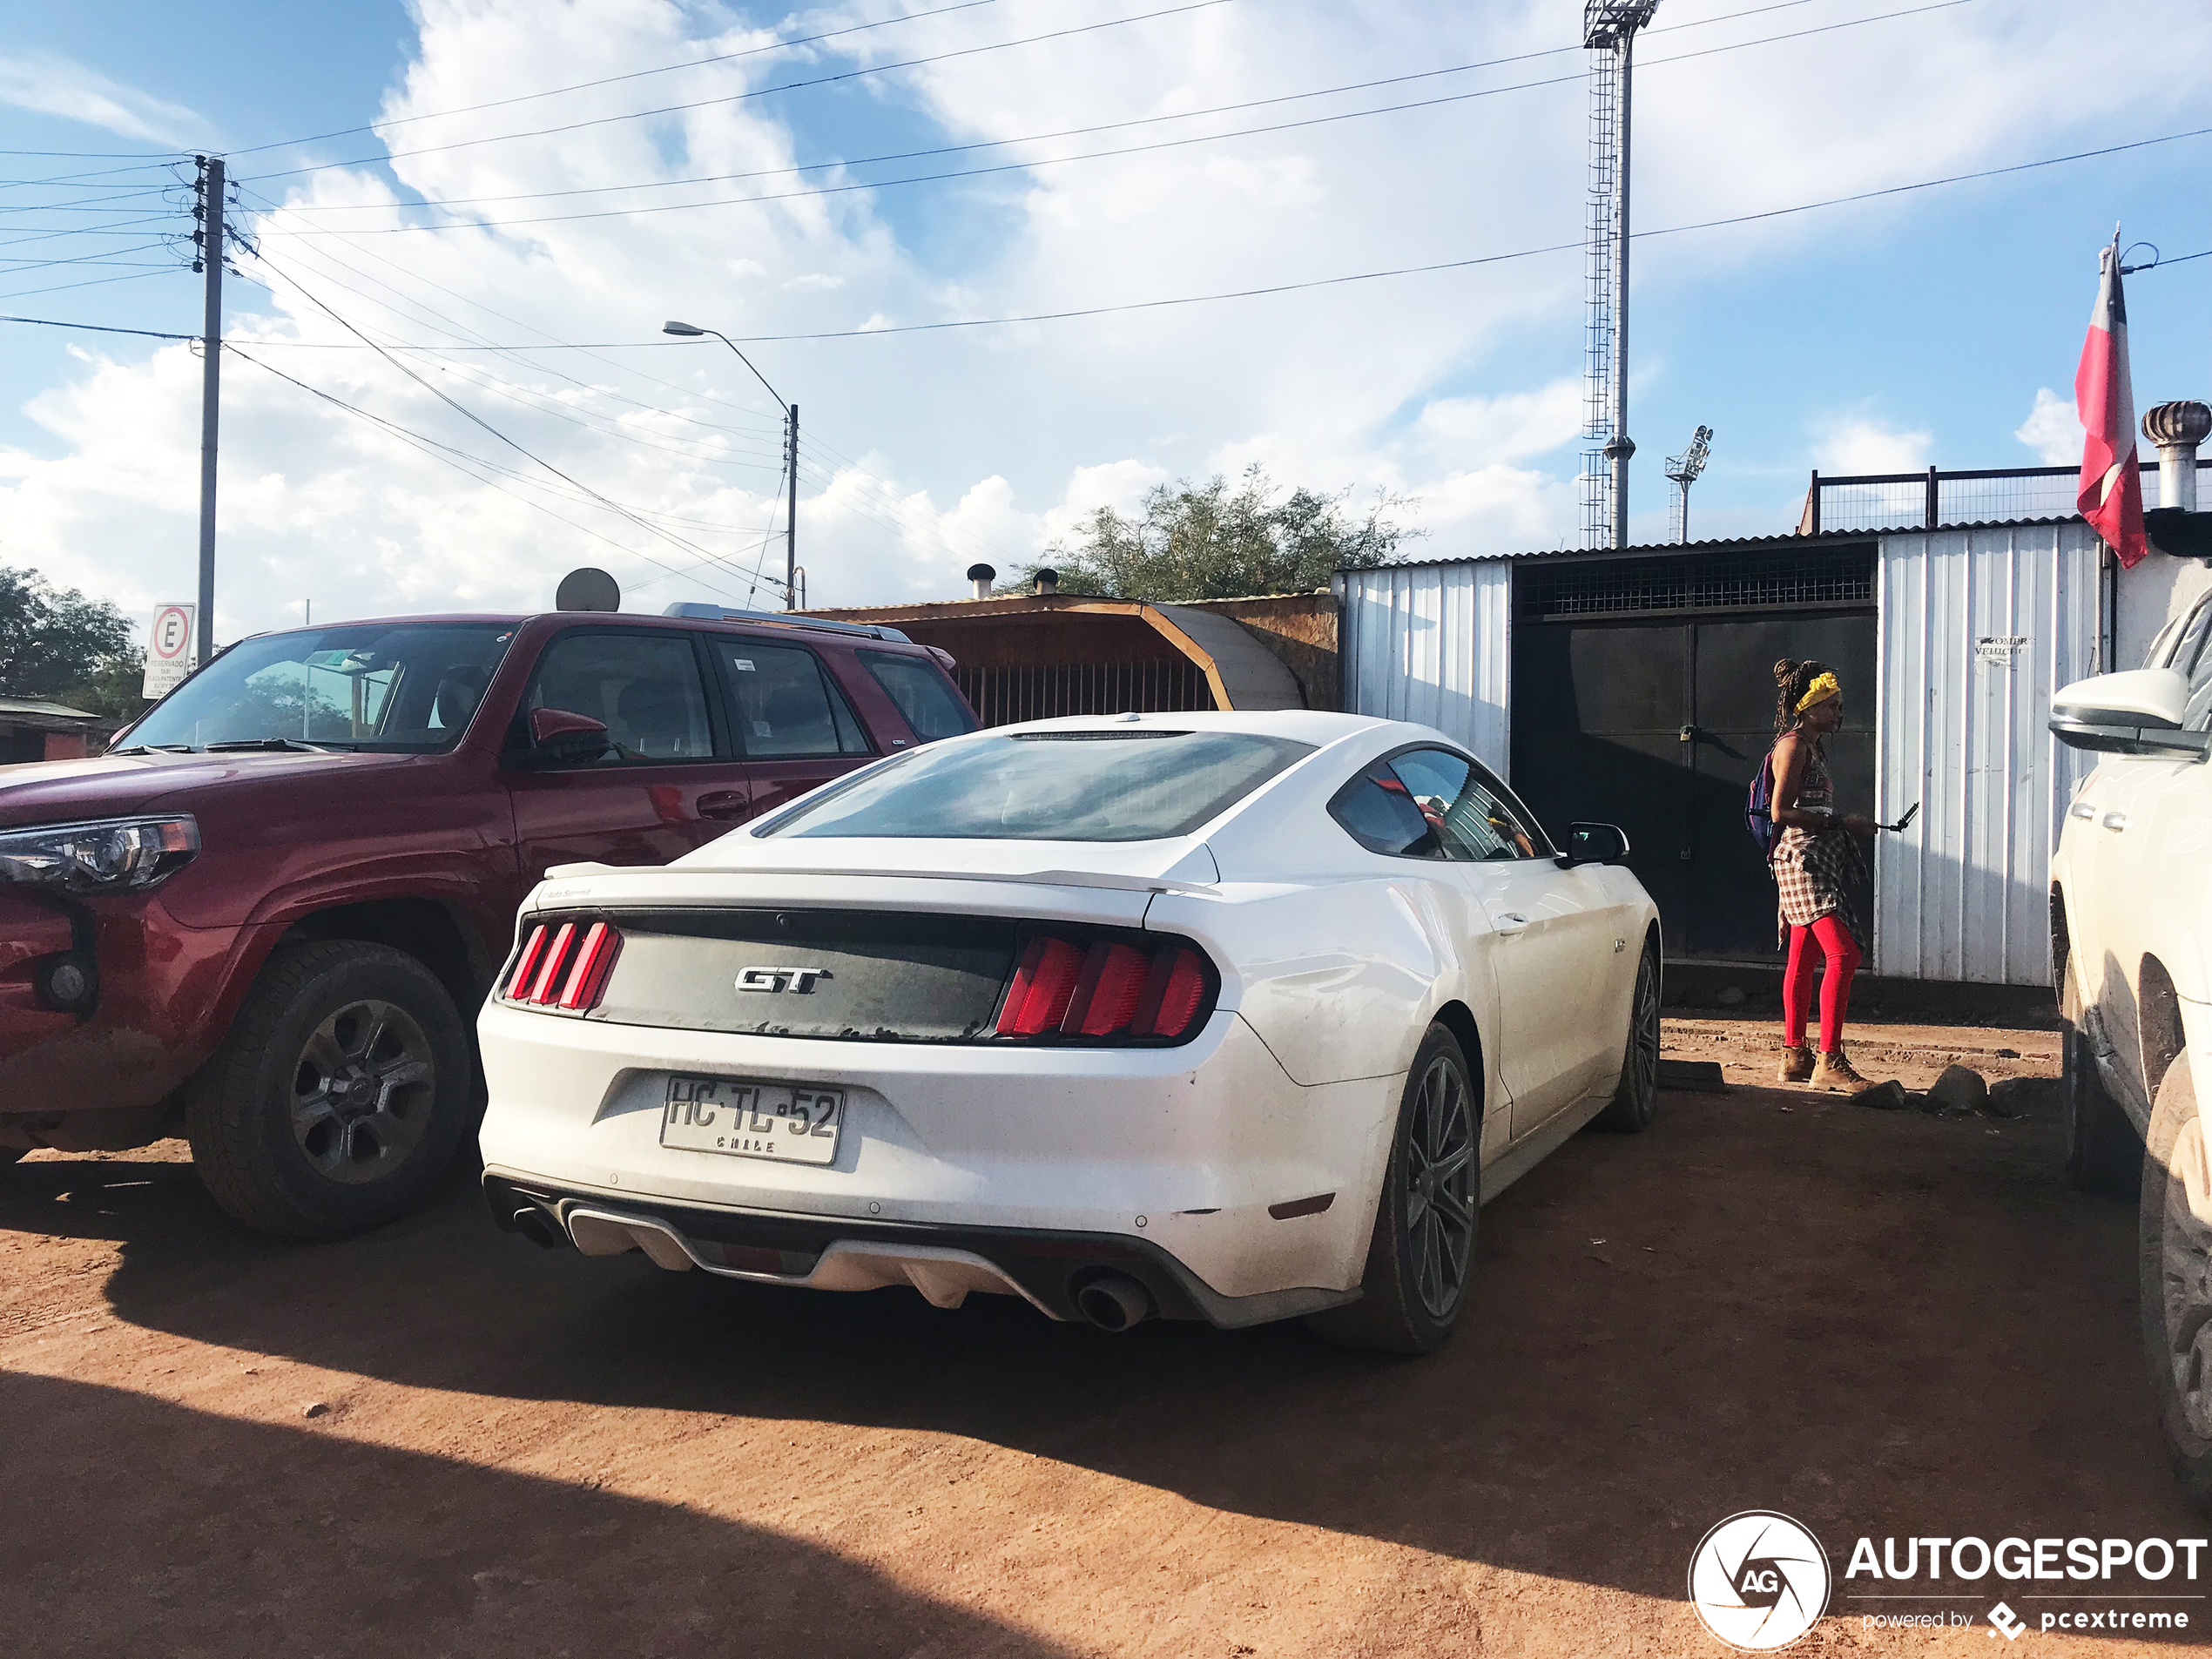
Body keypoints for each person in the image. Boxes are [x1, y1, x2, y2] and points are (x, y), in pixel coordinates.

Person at [1767, 658, 1878, 1089]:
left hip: (1818, 860)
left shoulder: (1811, 746)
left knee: (1804, 956)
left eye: (1838, 705)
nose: (1838, 713)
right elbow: (1781, 812)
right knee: (1844, 953)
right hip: (1803, 861)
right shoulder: (1792, 745)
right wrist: (1840, 823)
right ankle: (1829, 1059)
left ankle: (1794, 1055)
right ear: (1808, 706)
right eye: (1831, 705)